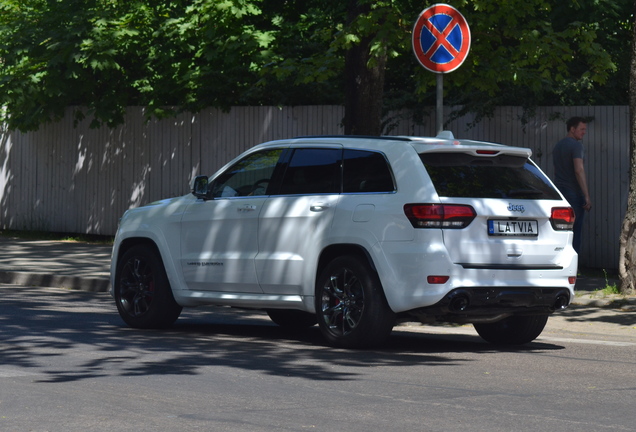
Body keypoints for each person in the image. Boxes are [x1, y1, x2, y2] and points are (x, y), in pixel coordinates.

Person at [553, 116, 592, 254]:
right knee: (575, 232)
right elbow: (578, 169)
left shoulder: (558, 146)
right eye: (582, 129)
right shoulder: (577, 146)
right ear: (572, 129)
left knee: (561, 230)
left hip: (559, 194)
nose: (584, 132)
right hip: (573, 194)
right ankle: (573, 266)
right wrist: (586, 196)